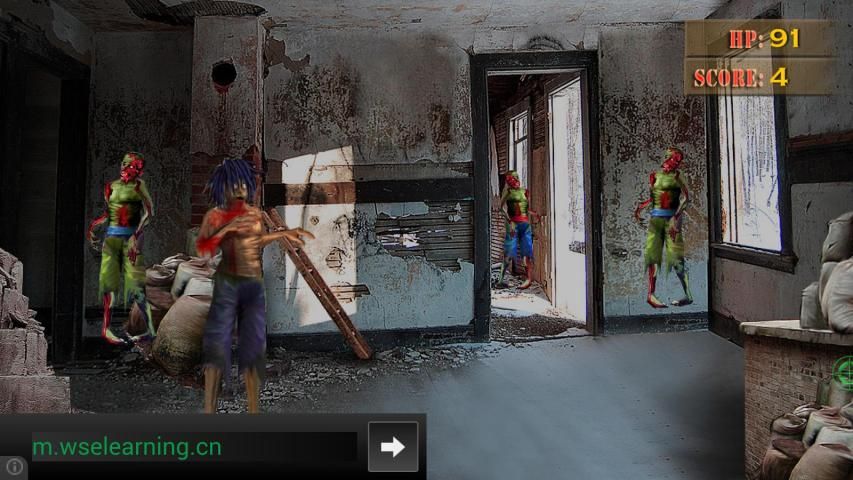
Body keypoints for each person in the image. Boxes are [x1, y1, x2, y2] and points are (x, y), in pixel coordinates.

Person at [196, 158, 314, 414]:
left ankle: (253, 412)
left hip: (252, 286)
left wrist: (283, 234)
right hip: (227, 284)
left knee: (252, 351)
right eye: (235, 184)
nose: (240, 189)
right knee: (217, 348)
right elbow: (203, 249)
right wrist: (227, 230)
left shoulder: (254, 214)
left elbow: (256, 241)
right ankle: (209, 411)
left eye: (244, 184)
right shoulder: (214, 216)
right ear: (224, 186)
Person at [87, 152, 155, 345]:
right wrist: (94, 226)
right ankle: (107, 329)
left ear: (139, 170)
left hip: (130, 238)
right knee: (108, 286)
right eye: (124, 163)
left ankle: (149, 329)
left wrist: (136, 234)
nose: (126, 167)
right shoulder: (111, 187)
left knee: (136, 286)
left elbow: (149, 213)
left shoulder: (139, 186)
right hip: (111, 238)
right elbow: (109, 213)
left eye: (132, 165)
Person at [633, 147, 693, 308]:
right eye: (675, 159)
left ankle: (688, 295)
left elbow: (686, 198)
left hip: (672, 220)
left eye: (679, 161)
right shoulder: (654, 176)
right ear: (668, 157)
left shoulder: (678, 176)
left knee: (676, 258)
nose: (677, 163)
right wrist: (640, 208)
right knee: (653, 257)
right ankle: (651, 295)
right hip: (656, 219)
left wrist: (675, 217)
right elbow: (654, 198)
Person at [497, 170, 538, 290]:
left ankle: (528, 279)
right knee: (509, 253)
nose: (512, 181)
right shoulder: (508, 192)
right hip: (513, 225)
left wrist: (534, 214)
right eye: (509, 180)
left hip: (525, 224)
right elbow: (501, 207)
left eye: (514, 178)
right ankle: (500, 280)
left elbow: (524, 208)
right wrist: (509, 220)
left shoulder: (524, 191)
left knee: (526, 253)